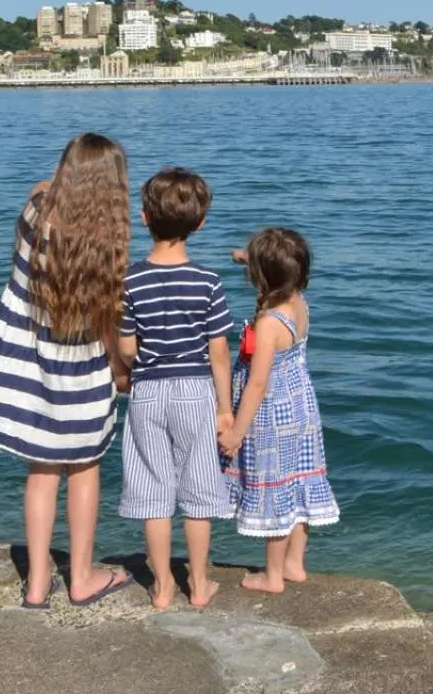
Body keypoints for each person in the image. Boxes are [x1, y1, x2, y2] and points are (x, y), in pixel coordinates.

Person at [0, 133, 136, 609]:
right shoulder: (107, 252)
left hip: (27, 367)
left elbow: (41, 189)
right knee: (84, 468)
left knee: (41, 472)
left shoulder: (33, 215)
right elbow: (110, 328)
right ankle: (82, 577)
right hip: (80, 372)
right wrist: (120, 369)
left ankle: (39, 583)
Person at [118, 167, 236, 609]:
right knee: (200, 487)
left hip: (148, 389)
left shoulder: (131, 279)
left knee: (152, 488)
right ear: (200, 223)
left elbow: (127, 345)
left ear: (145, 217)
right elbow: (219, 351)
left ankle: (163, 584)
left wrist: (134, 365)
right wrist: (225, 408)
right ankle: (200, 585)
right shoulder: (207, 282)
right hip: (195, 390)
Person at [219, 227, 339, 593]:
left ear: (262, 279)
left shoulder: (269, 323)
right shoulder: (298, 302)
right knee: (298, 481)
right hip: (301, 407)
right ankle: (293, 565)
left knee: (274, 488)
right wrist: (244, 256)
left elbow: (257, 383)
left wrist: (237, 431)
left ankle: (271, 577)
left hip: (272, 415)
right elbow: (277, 272)